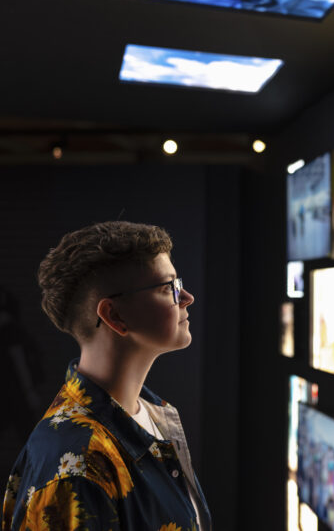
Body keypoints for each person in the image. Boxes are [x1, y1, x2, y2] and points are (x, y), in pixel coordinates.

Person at [1, 221, 211, 530]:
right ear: (114, 316)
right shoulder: (78, 466)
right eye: (169, 287)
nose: (187, 297)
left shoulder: (150, 413)